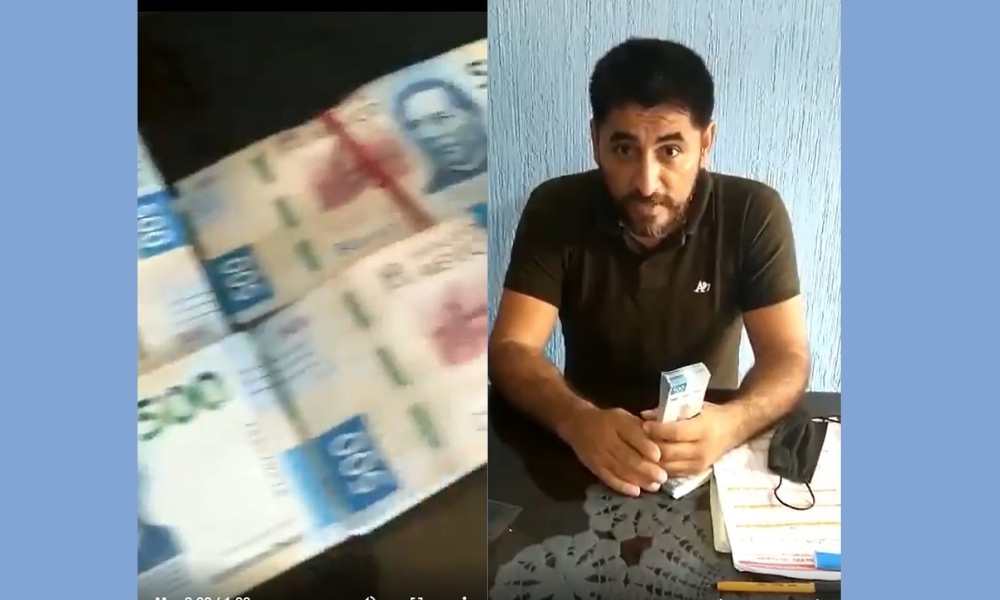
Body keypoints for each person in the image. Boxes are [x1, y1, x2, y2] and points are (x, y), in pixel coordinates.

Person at [488, 38, 811, 498]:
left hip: (707, 451)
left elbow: (787, 356)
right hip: (587, 445)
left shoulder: (753, 212)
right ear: (595, 141)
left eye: (670, 150)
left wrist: (731, 423)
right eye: (624, 149)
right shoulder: (555, 208)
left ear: (706, 142)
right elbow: (512, 347)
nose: (646, 182)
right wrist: (575, 419)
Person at [393, 79, 487, 193]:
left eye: (441, 118)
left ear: (475, 113)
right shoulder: (432, 194)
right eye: (414, 126)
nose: (428, 134)